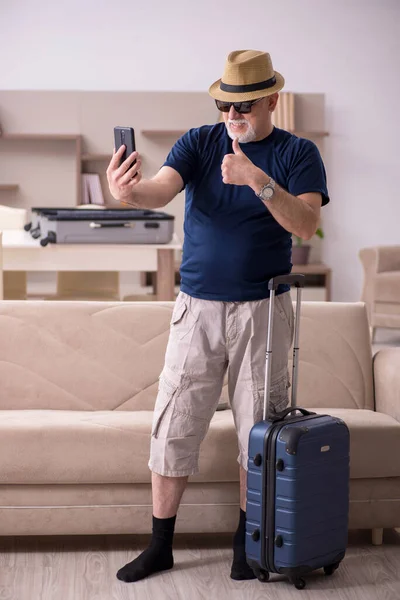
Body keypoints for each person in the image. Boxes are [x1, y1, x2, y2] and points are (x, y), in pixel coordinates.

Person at [107, 49, 329, 584]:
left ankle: (246, 543)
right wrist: (129, 193)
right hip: (197, 309)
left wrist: (256, 178)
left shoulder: (299, 153)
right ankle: (160, 545)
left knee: (259, 432)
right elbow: (160, 189)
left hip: (265, 312)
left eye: (245, 106)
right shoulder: (199, 142)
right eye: (225, 105)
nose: (233, 116)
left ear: (273, 100)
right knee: (174, 425)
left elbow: (305, 224)